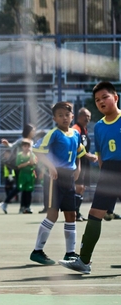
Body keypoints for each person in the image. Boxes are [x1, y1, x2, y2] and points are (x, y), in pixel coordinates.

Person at [60, 82, 121, 274]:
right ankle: (84, 261)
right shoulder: (100, 127)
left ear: (115, 97)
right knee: (95, 213)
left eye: (105, 97)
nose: (101, 101)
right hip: (109, 172)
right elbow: (101, 154)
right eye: (97, 100)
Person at [29, 102, 85, 265]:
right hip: (55, 178)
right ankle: (37, 251)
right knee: (53, 214)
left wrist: (78, 168)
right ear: (54, 118)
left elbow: (79, 152)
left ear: (72, 117)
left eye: (67, 115)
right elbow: (37, 149)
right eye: (60, 115)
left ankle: (70, 253)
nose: (64, 118)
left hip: (69, 177)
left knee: (71, 214)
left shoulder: (75, 134)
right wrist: (51, 167)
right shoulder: (53, 134)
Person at [0, 124, 36, 214]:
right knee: (20, 187)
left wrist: (33, 167)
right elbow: (12, 146)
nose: (34, 132)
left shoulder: (32, 141)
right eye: (33, 130)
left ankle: (24, 207)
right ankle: (5, 203)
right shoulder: (21, 141)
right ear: (28, 131)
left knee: (26, 188)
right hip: (20, 166)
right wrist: (7, 144)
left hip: (29, 167)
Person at [72, 108, 97, 221]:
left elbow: (84, 147)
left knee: (83, 188)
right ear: (79, 117)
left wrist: (91, 155)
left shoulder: (84, 130)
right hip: (78, 161)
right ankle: (74, 213)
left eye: (89, 117)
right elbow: (76, 148)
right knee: (79, 187)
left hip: (85, 162)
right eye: (85, 116)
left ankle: (77, 212)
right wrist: (88, 156)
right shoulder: (75, 129)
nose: (88, 119)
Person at [15, 139, 37, 214]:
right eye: (25, 146)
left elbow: (32, 163)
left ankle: (28, 207)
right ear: (22, 147)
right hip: (22, 175)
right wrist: (27, 163)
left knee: (29, 192)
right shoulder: (19, 155)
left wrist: (31, 154)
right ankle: (22, 207)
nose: (26, 148)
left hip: (30, 174)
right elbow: (19, 166)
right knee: (23, 191)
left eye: (28, 146)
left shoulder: (32, 155)